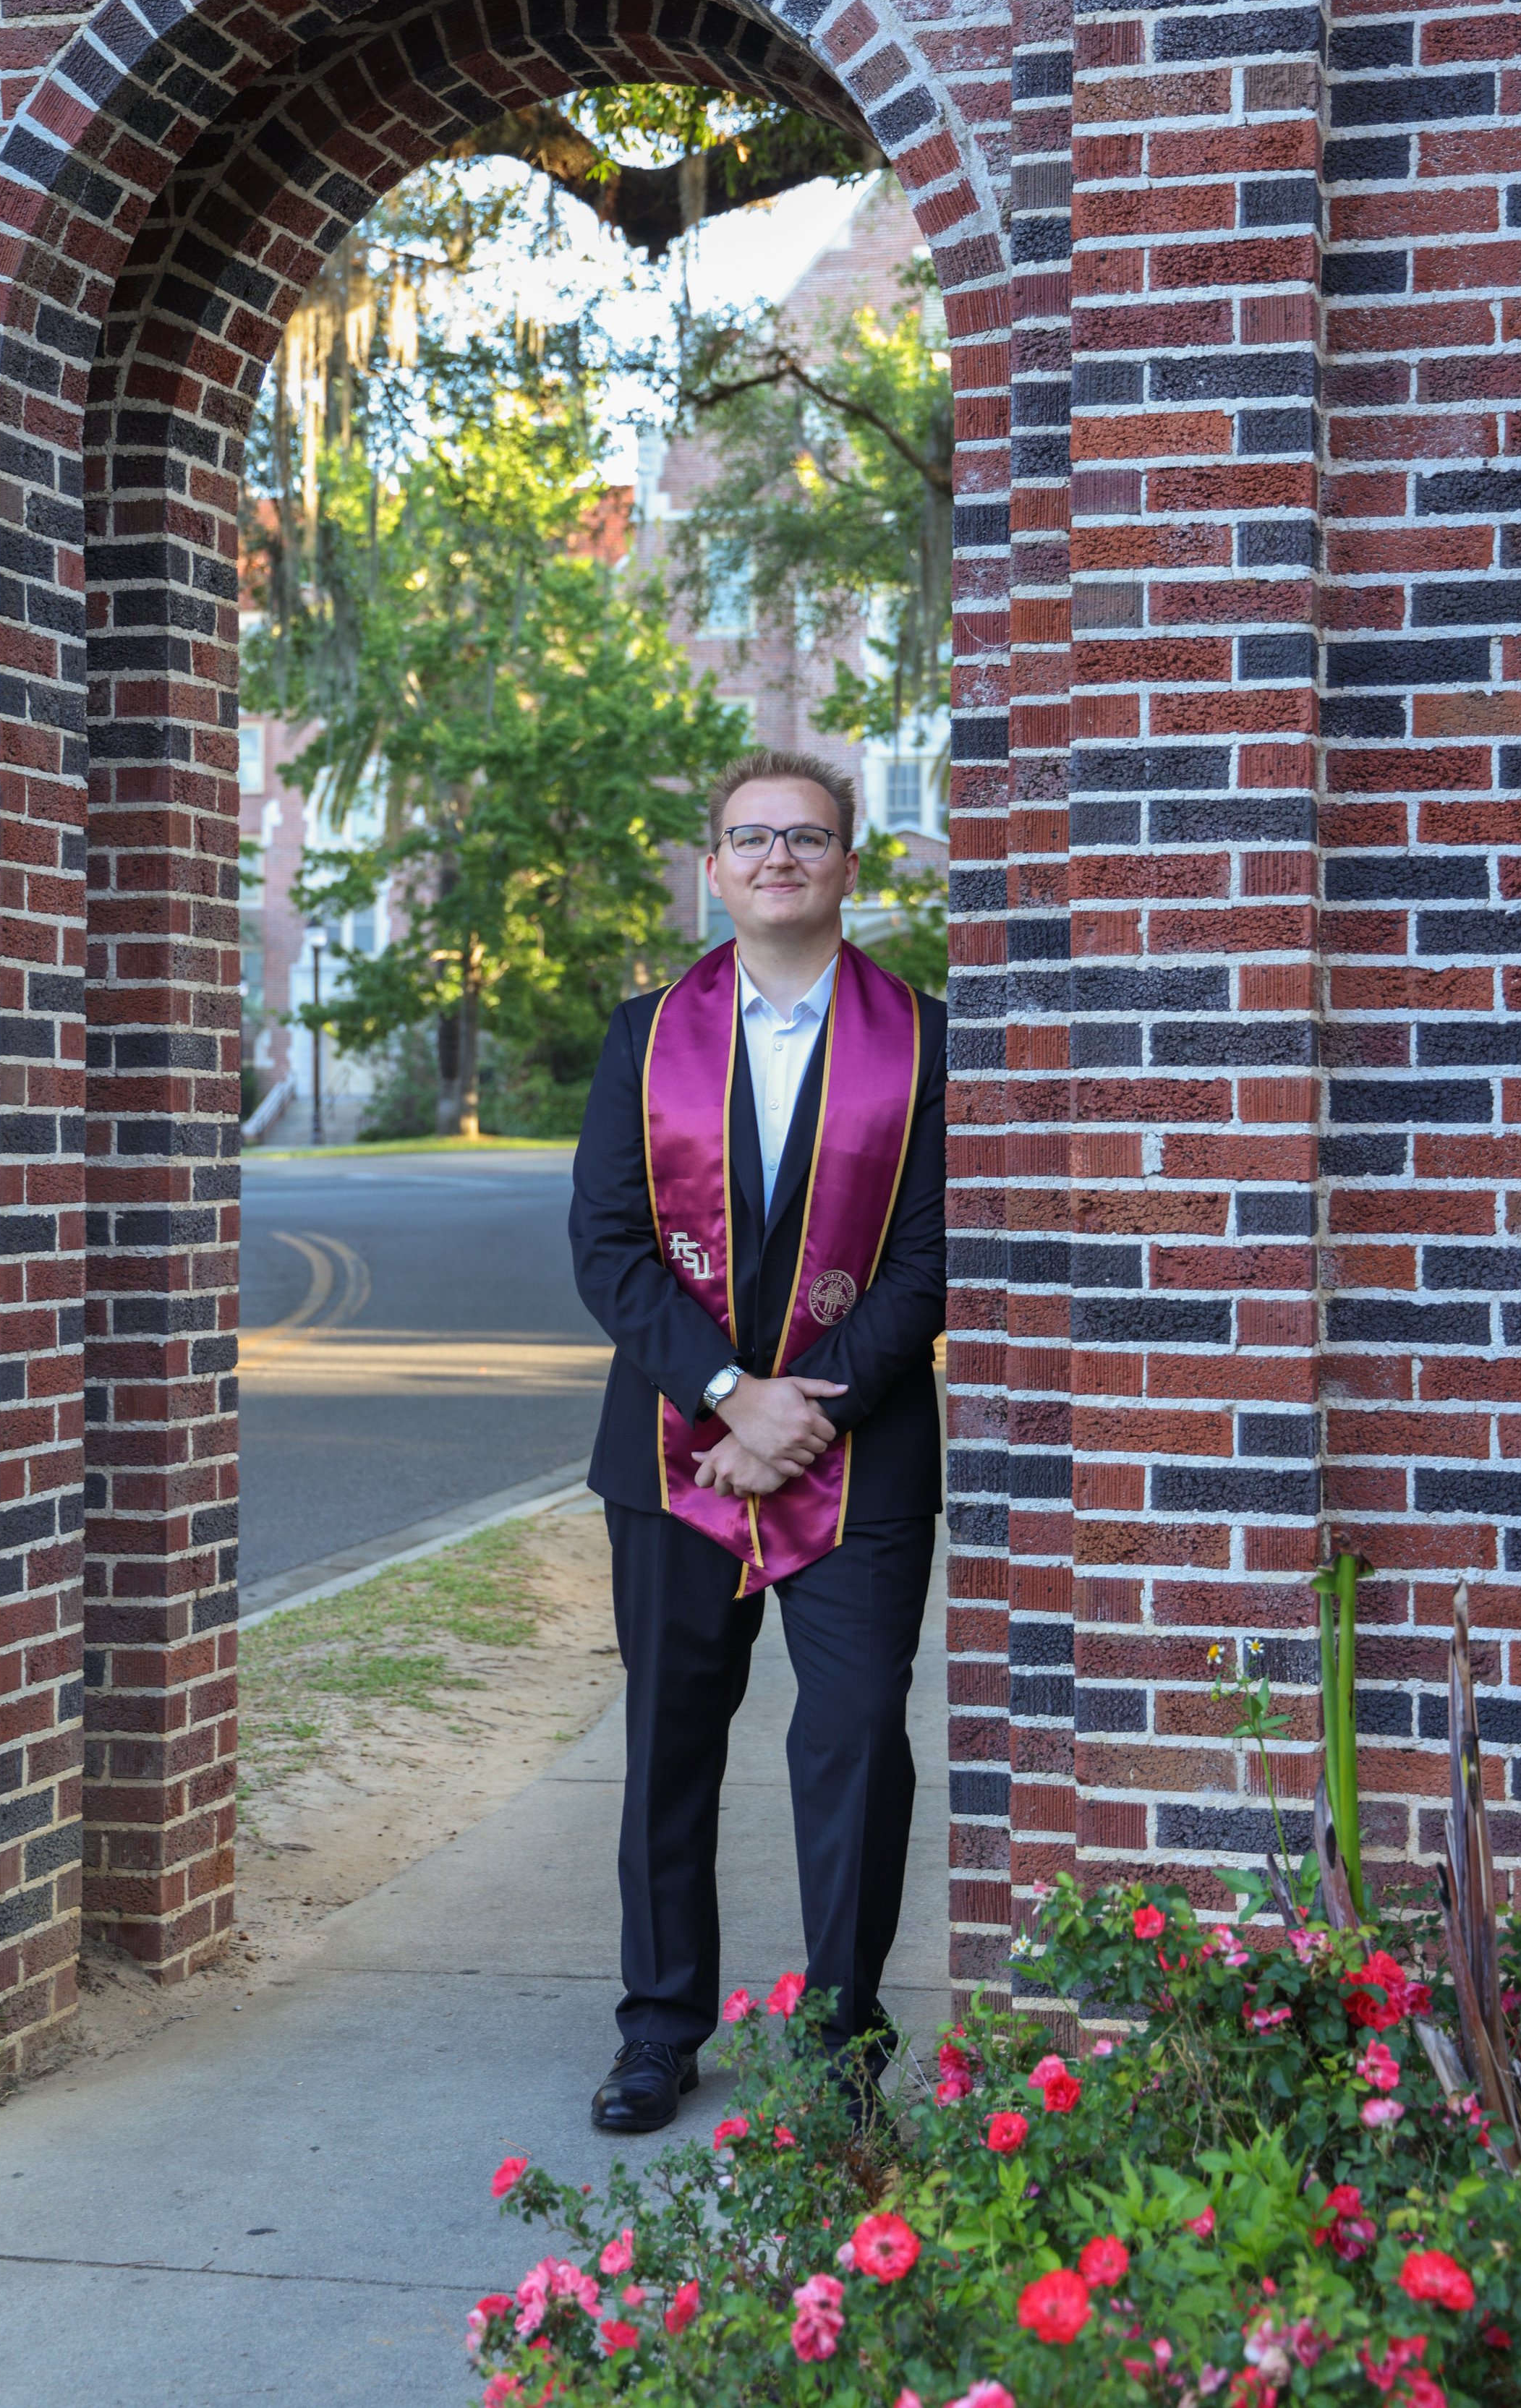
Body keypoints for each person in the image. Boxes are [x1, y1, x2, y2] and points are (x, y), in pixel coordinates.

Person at [568, 746, 947, 2133]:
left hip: (863, 1465)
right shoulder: (643, 1037)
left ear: (851, 863)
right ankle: (661, 2027)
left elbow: (928, 1261)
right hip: (676, 1457)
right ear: (713, 866)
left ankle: (845, 2035)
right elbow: (609, 1252)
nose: (778, 857)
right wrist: (733, 1395)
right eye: (750, 837)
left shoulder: (929, 1038)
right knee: (671, 1747)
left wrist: (811, 1409)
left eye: (807, 836)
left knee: (853, 1745)